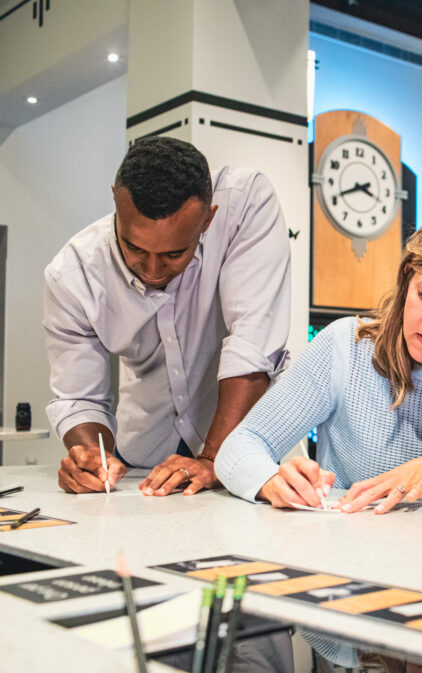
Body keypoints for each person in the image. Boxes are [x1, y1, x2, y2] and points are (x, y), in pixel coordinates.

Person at [215, 212, 422, 513]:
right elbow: (240, 446)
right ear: (406, 279)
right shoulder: (346, 345)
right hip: (349, 554)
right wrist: (270, 481)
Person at [44, 137, 291, 496]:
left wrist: (214, 459)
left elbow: (252, 345)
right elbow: (80, 398)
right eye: (134, 248)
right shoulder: (73, 274)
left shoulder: (246, 203)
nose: (153, 270)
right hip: (144, 459)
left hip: (243, 452)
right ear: (115, 199)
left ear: (209, 218)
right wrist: (91, 458)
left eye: (175, 253)